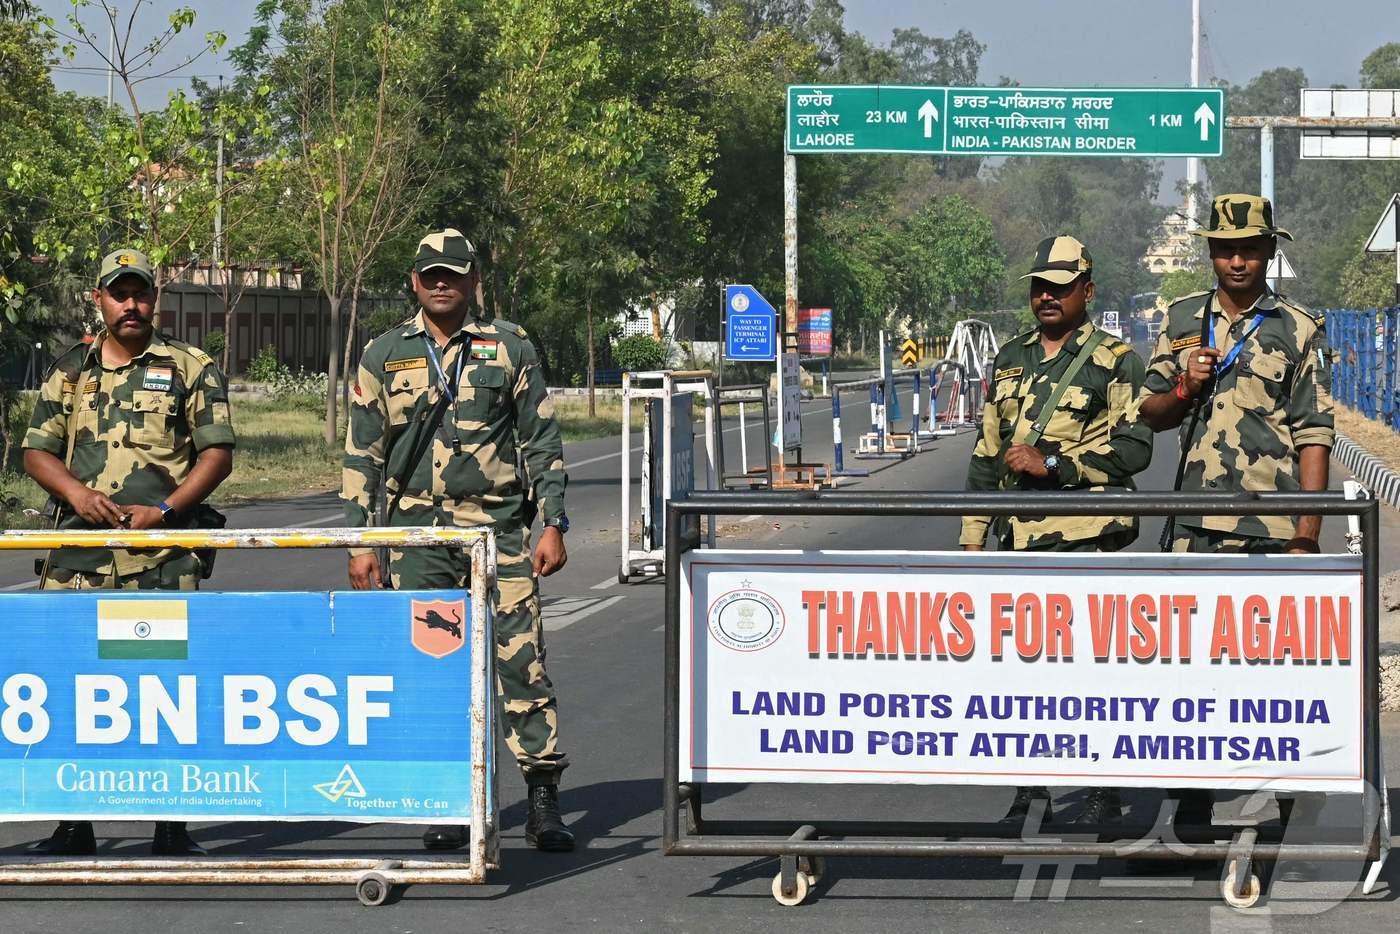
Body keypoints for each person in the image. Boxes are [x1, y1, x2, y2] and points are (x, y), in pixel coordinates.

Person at [343, 228, 574, 852]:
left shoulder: (510, 348)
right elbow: (363, 453)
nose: (441, 282)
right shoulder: (383, 354)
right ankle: (451, 800)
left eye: (454, 273)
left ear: (473, 280)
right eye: (429, 274)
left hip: (497, 529)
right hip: (419, 536)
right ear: (414, 282)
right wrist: (363, 541)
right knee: (434, 669)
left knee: (520, 660)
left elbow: (541, 442)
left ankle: (543, 798)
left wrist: (551, 520)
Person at [1139, 194, 1333, 882]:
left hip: (1272, 530)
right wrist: (1184, 385)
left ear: (1269, 250)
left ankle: (1279, 811)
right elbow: (1152, 415)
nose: (1238, 258)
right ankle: (1189, 811)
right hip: (1193, 527)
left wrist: (1306, 538)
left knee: (1271, 675)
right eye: (1226, 247)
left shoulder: (1299, 329)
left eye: (1250, 246)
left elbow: (1314, 434)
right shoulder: (1181, 321)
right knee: (1190, 672)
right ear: (1212, 252)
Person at [21, 248, 236, 856]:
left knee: (165, 694)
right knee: (76, 688)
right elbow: (37, 451)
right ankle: (74, 823)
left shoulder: (191, 367)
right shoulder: (69, 372)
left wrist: (166, 512)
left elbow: (216, 453)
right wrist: (76, 493)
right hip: (79, 563)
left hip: (160, 561)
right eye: (119, 294)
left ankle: (172, 825)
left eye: (140, 292)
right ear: (100, 302)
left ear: (155, 299)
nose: (131, 304)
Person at [960, 235, 1152, 827]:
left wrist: (1058, 468)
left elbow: (1135, 447)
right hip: (1020, 543)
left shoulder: (1117, 359)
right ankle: (1031, 787)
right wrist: (972, 537)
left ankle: (1103, 786)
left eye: (1061, 287)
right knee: (1021, 670)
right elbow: (988, 453)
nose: (1047, 296)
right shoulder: (1009, 358)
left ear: (1086, 292)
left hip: (1089, 540)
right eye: (1039, 286)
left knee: (1096, 669)